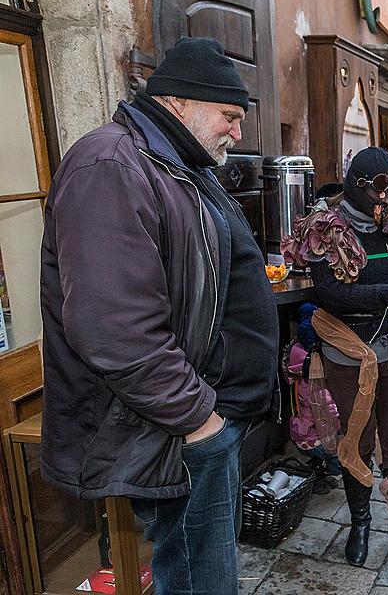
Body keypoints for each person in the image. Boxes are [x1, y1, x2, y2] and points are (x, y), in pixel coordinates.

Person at [40, 38, 276, 594]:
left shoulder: (173, 162)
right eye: (229, 116)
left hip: (198, 422)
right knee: (199, 580)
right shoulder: (110, 164)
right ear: (178, 103)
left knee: (205, 572)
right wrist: (200, 420)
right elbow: (113, 329)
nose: (238, 133)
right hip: (180, 427)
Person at [299, 147, 388, 566]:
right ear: (356, 184)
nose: (386, 200)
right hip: (347, 355)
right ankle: (360, 523)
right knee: (357, 444)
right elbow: (332, 294)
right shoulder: (325, 228)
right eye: (379, 190)